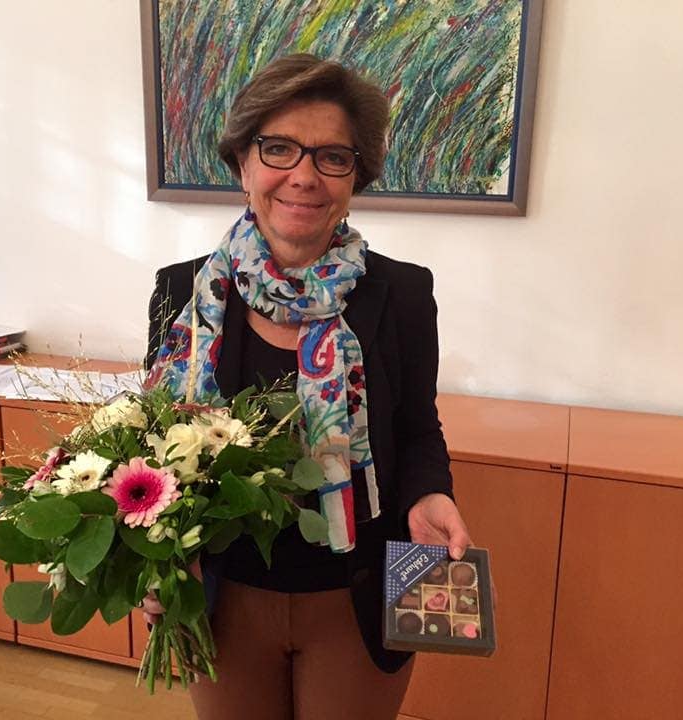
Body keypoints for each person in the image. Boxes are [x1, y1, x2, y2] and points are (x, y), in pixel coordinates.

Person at [143, 53, 470, 720]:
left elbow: (418, 430)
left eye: (332, 157)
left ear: (356, 176)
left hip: (358, 596)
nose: (303, 175)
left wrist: (430, 493)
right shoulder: (182, 292)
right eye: (279, 148)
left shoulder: (403, 293)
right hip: (222, 595)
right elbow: (155, 445)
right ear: (243, 163)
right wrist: (150, 555)